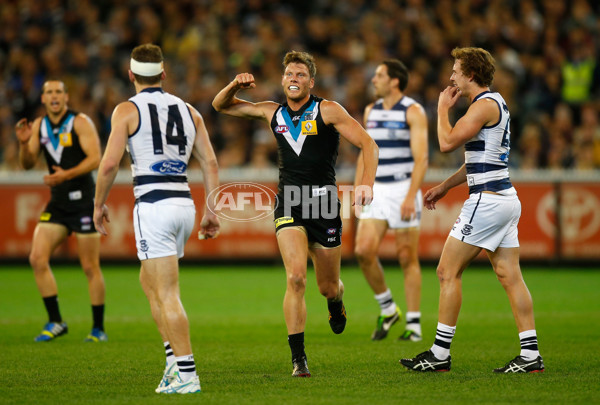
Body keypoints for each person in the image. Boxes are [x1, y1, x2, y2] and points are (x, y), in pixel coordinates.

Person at [212, 51, 378, 377]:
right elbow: (220, 106)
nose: (293, 79)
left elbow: (369, 145)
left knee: (328, 286)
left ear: (311, 82)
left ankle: (336, 301)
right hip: (289, 201)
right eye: (289, 74)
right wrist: (234, 83)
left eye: (300, 75)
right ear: (282, 79)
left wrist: (366, 185)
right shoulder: (271, 112)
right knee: (296, 277)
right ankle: (298, 358)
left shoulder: (327, 109)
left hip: (324, 204)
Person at [400, 47, 544, 373]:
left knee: (446, 271)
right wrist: (445, 186)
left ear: (471, 74)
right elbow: (477, 161)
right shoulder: (494, 104)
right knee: (510, 276)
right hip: (505, 198)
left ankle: (439, 353)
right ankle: (531, 354)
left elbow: (447, 142)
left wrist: (440, 110)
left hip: (487, 201)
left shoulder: (483, 106)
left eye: (455, 71)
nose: (451, 77)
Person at [93, 44, 220, 394]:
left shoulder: (126, 110)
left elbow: (107, 165)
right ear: (164, 74)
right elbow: (209, 162)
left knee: (166, 292)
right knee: (149, 283)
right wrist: (211, 210)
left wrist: (98, 204)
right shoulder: (190, 110)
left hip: (153, 203)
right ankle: (171, 363)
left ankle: (187, 374)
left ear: (130, 74)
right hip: (183, 203)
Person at [15, 80, 107, 343]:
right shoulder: (39, 126)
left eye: (58, 92)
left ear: (66, 97)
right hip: (58, 203)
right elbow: (28, 164)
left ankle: (98, 329)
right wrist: (23, 144)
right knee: (36, 258)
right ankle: (56, 321)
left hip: (83, 202)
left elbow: (95, 158)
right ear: (43, 98)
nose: (54, 96)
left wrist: (66, 174)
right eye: (49, 92)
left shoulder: (80, 122)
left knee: (90, 266)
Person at [354, 59, 428, 342]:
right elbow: (365, 151)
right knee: (363, 251)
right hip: (378, 190)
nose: (374, 80)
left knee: (407, 257)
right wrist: (361, 187)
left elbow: (421, 158)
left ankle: (414, 325)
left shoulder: (413, 111)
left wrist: (410, 196)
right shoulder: (370, 111)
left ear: (394, 80)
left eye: (379, 75)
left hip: (403, 188)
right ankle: (388, 307)